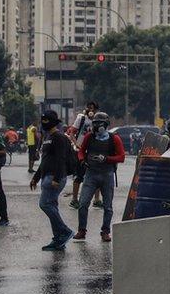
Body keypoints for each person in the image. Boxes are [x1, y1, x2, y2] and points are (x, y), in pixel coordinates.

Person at [72, 112, 125, 243]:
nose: (96, 127)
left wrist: (107, 159)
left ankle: (105, 232)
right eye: (95, 124)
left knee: (108, 207)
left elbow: (121, 157)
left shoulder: (114, 139)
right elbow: (81, 151)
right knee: (83, 204)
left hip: (107, 175)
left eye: (99, 124)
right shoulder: (89, 137)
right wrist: (82, 160)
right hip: (91, 174)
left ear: (105, 125)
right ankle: (81, 230)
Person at [30, 111, 74, 250]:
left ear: (54, 122)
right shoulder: (48, 137)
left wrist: (56, 177)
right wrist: (35, 178)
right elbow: (45, 160)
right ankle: (58, 240)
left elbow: (61, 158)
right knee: (52, 206)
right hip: (46, 176)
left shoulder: (59, 137)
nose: (43, 123)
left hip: (55, 178)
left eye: (46, 121)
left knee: (45, 204)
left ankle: (65, 231)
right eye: (42, 120)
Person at [66, 102, 98, 209]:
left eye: (92, 108)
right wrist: (76, 144)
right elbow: (72, 132)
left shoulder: (97, 120)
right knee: (78, 176)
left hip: (92, 150)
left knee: (96, 175)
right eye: (88, 107)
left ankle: (97, 200)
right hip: (79, 151)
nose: (90, 110)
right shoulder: (81, 118)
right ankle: (74, 200)